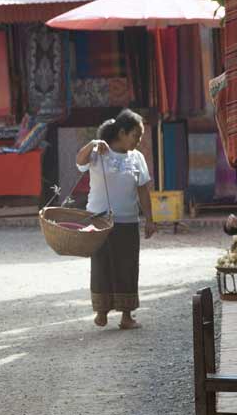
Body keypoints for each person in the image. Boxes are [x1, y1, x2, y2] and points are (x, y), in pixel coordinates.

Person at [76, 109, 156, 330]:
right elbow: (79, 161)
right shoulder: (99, 151)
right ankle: (102, 312)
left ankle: (126, 316)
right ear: (122, 132)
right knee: (101, 264)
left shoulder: (137, 158)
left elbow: (143, 191)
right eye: (135, 136)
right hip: (99, 220)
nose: (138, 141)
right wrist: (93, 143)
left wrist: (150, 219)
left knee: (128, 266)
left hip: (128, 221)